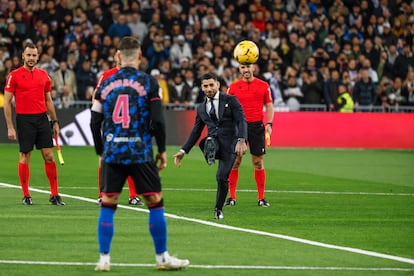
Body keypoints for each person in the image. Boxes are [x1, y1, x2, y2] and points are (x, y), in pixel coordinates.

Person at [90, 36, 189, 271]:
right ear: (140, 56)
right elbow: (158, 120)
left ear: (117, 56)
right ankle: (161, 258)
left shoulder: (105, 83)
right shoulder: (148, 83)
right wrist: (162, 150)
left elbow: (94, 122)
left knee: (108, 203)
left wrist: (101, 151)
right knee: (154, 202)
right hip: (140, 151)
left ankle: (104, 259)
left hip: (113, 152)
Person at [173, 72, 247, 219]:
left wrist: (241, 140)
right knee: (207, 141)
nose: (209, 89)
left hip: (230, 144)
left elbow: (241, 121)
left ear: (218, 85)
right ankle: (210, 152)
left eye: (211, 85)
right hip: (214, 142)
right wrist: (183, 151)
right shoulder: (201, 108)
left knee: (221, 177)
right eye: (205, 86)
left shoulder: (231, 100)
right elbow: (196, 131)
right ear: (201, 87)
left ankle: (218, 209)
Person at [3, 42, 65, 206]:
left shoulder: (44, 75)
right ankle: (26, 194)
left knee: (49, 156)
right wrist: (10, 126)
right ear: (23, 56)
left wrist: (55, 122)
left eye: (34, 55)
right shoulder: (14, 76)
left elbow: (48, 101)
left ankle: (54, 194)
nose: (31, 58)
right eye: (28, 55)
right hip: (24, 120)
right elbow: (7, 103)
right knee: (25, 155)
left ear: (38, 57)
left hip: (42, 119)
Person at [92, 50, 143, 206]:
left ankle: (133, 196)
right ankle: (102, 194)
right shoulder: (107, 75)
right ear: (115, 57)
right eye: (118, 55)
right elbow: (96, 95)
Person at [226, 63, 274, 207]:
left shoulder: (263, 85)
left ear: (254, 67)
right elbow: (226, 108)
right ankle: (232, 197)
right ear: (239, 69)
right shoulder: (233, 87)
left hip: (257, 127)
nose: (246, 70)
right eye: (242, 67)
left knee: (258, 162)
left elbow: (269, 105)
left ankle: (261, 198)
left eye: (248, 67)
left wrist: (269, 124)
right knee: (235, 161)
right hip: (238, 127)